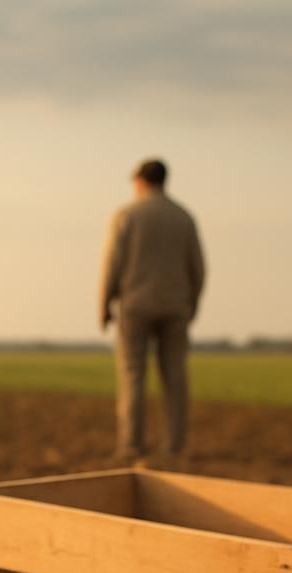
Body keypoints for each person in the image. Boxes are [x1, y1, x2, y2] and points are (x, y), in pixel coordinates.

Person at [99, 158, 205, 464]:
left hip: (135, 306)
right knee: (175, 377)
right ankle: (174, 447)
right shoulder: (184, 217)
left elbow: (112, 262)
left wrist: (104, 303)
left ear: (140, 181)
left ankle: (131, 445)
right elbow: (198, 266)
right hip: (175, 306)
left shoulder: (128, 214)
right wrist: (192, 302)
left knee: (132, 374)